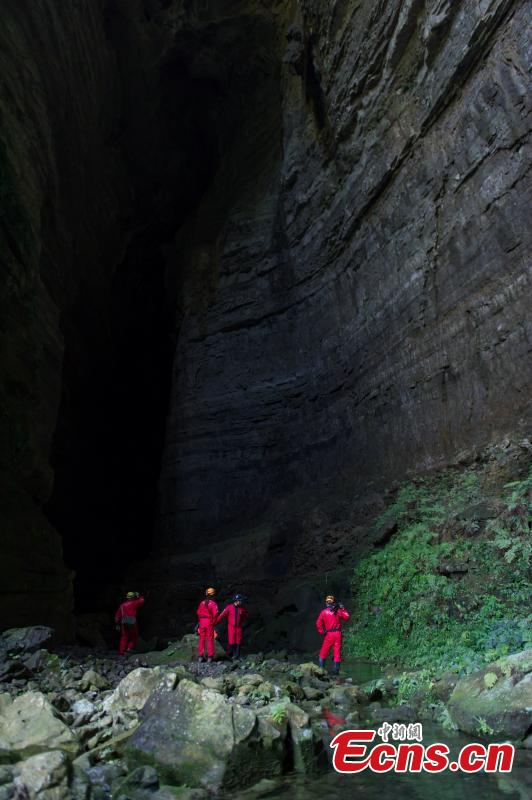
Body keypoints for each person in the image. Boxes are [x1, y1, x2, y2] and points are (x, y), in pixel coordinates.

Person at [316, 594, 350, 674]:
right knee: (337, 652)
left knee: (323, 652)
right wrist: (343, 609)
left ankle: (321, 670)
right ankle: (336, 671)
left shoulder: (324, 612)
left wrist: (322, 631)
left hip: (329, 634)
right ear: (333, 602)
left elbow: (318, 623)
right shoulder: (338, 611)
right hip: (338, 634)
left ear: (326, 603)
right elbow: (347, 617)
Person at [216, 593, 248, 659]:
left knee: (238, 641)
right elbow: (221, 615)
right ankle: (232, 654)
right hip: (231, 627)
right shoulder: (229, 607)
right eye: (240, 601)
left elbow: (246, 617)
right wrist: (215, 622)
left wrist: (243, 623)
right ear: (237, 601)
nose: (241, 602)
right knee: (232, 641)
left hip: (239, 627)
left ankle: (237, 655)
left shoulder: (242, 609)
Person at [115, 591, 145, 655]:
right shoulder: (133, 603)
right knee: (135, 636)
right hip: (131, 621)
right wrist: (139, 596)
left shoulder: (122, 605)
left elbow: (117, 616)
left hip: (123, 621)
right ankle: (129, 648)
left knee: (124, 636)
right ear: (132, 597)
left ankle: (121, 652)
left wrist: (117, 624)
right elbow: (142, 601)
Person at [197, 587, 218, 663]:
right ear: (213, 595)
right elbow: (215, 614)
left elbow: (198, 613)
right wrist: (213, 623)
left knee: (201, 639)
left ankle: (200, 656)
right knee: (209, 639)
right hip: (209, 622)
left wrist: (201, 621)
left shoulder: (201, 603)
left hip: (202, 622)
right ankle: (210, 657)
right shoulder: (213, 604)